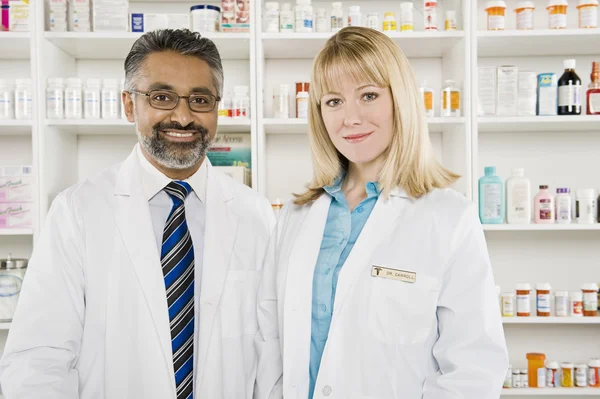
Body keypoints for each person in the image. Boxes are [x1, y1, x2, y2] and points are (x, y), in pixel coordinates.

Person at [0, 29, 274, 399]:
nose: (182, 116)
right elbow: (39, 358)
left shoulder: (255, 214)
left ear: (217, 107)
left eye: (200, 99)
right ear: (129, 105)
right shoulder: (77, 211)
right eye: (161, 97)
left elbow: (270, 353)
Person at [254, 27, 508, 399]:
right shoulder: (295, 216)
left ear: (400, 101)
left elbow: (472, 367)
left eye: (368, 95)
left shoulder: (450, 217)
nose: (350, 118)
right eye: (334, 102)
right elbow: (270, 342)